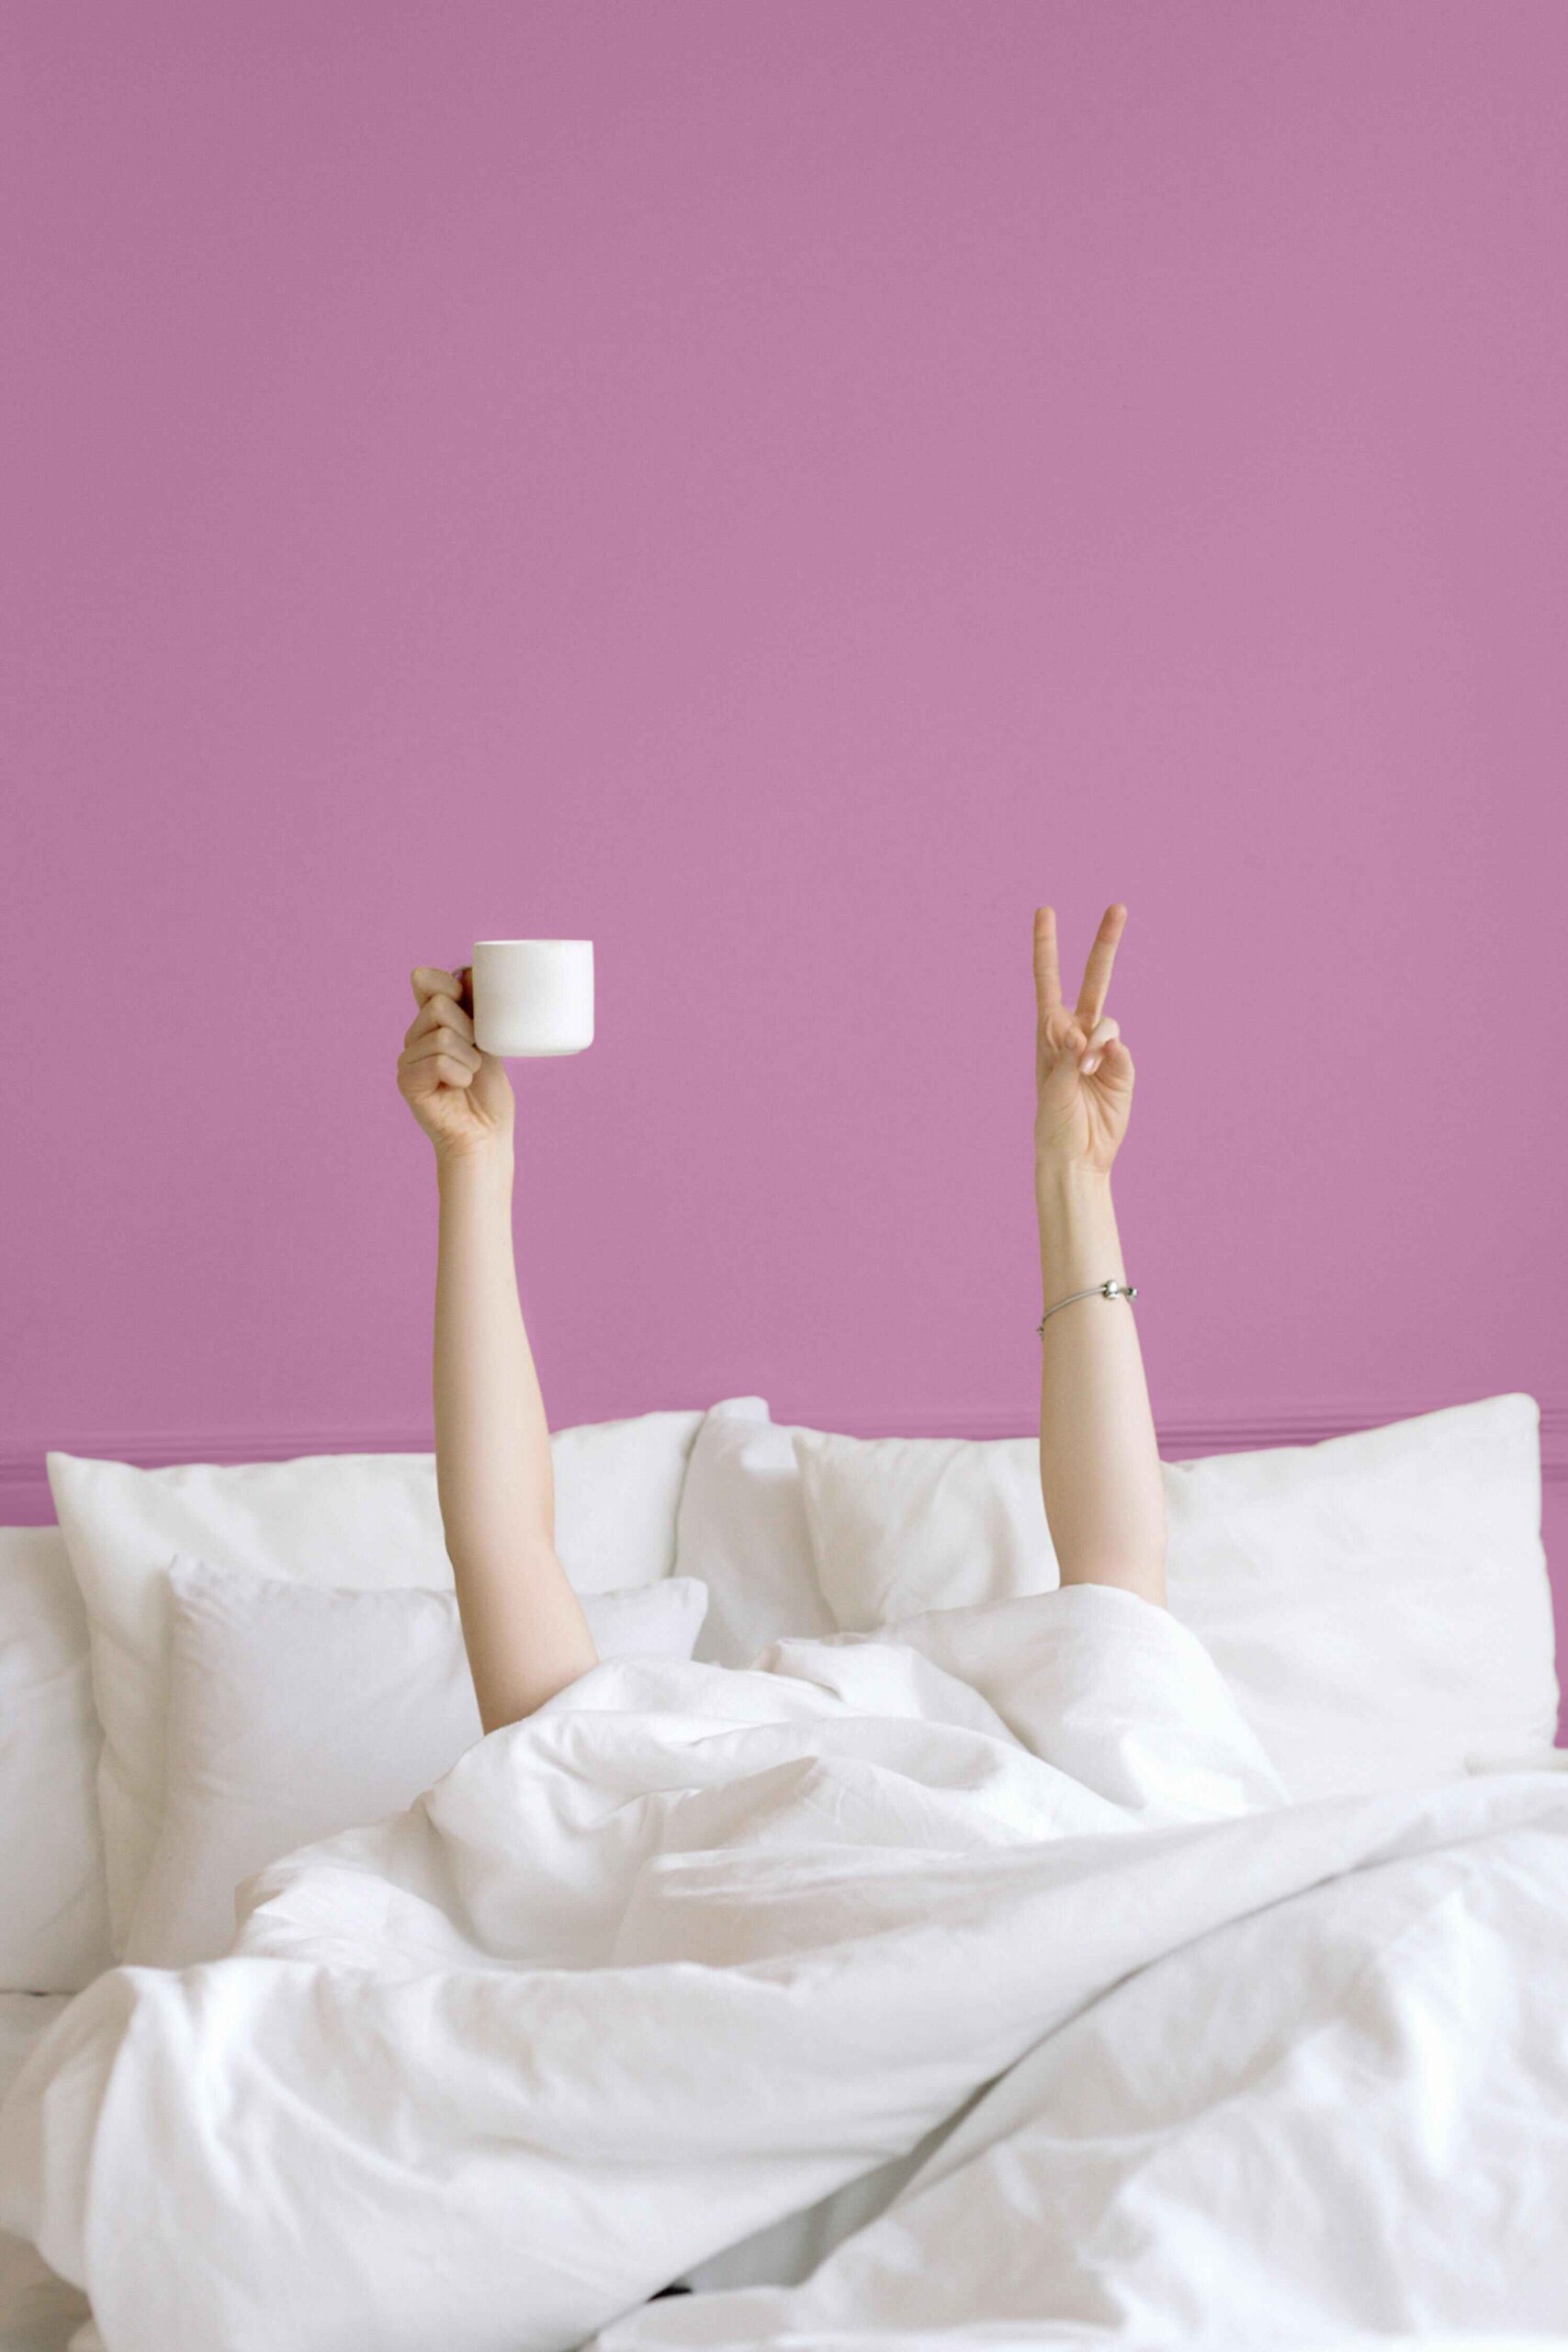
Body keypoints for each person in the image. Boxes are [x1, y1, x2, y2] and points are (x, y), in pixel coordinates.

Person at [396, 902, 1165, 1735]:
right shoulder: (613, 1782)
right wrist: (472, 1159)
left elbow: (1116, 1627)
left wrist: (1076, 1173)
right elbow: (1116, 1597)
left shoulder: (595, 1779)